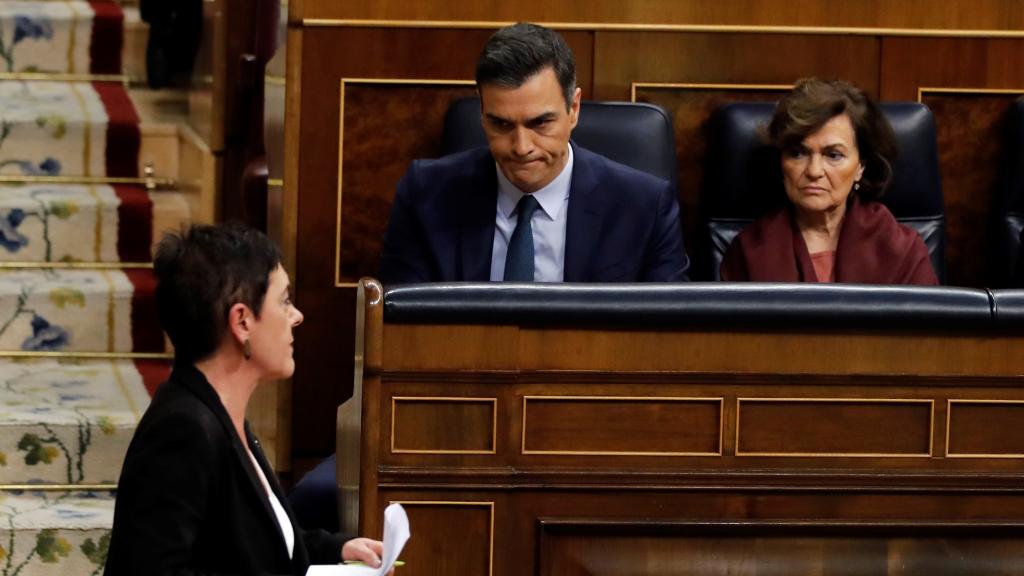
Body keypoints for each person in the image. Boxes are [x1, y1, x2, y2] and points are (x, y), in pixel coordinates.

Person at [104, 223, 391, 575]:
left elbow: (251, 544)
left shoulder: (218, 413)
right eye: (284, 301)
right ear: (242, 322)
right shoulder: (184, 431)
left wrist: (337, 549)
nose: (296, 316)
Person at [379, 22, 689, 284]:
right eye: (500, 124)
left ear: (574, 109)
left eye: (540, 123)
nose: (521, 147)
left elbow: (667, 340)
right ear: (482, 113)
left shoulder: (644, 207)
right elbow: (402, 332)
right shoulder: (426, 195)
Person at [720, 77, 938, 285]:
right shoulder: (748, 251)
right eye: (797, 153)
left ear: (860, 166)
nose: (814, 171)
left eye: (833, 155)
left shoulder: (903, 250)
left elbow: (929, 323)